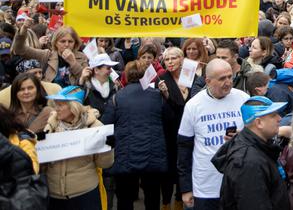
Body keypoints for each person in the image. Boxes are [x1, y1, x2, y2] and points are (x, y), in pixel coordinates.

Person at [177, 59, 250, 210]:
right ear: (208, 81)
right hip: (206, 186)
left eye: (230, 77)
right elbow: (184, 148)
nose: (228, 82)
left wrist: (242, 136)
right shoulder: (193, 105)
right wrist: (185, 188)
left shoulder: (243, 99)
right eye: (222, 78)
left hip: (238, 182)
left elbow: (257, 135)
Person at [101, 59, 170, 210]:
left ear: (126, 75)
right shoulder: (157, 96)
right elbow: (167, 119)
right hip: (153, 154)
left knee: (124, 197)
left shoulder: (117, 97)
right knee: (152, 196)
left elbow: (106, 124)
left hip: (125, 155)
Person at [212, 96, 290, 210]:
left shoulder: (260, 148)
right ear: (259, 123)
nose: (280, 118)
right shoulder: (248, 162)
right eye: (273, 115)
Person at [42, 85, 114, 209]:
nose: (56, 109)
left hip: (85, 194)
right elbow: (42, 163)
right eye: (56, 104)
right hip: (54, 196)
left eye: (61, 105)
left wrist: (109, 146)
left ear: (73, 106)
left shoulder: (95, 127)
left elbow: (105, 164)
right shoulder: (50, 126)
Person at [156, 46, 200, 210]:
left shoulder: (190, 75)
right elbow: (163, 107)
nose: (170, 62)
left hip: (189, 128)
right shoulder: (161, 78)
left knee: (185, 164)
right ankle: (166, 202)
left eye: (173, 58)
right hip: (169, 130)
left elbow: (193, 101)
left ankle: (180, 200)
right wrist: (166, 95)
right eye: (167, 59)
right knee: (169, 168)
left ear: (182, 59)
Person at [12, 21, 87, 87]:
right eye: (62, 41)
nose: (67, 45)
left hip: (73, 98)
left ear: (75, 43)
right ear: (55, 43)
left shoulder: (82, 57)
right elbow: (19, 49)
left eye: (70, 41)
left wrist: (73, 63)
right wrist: (23, 30)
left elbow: (86, 80)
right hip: (50, 98)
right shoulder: (47, 55)